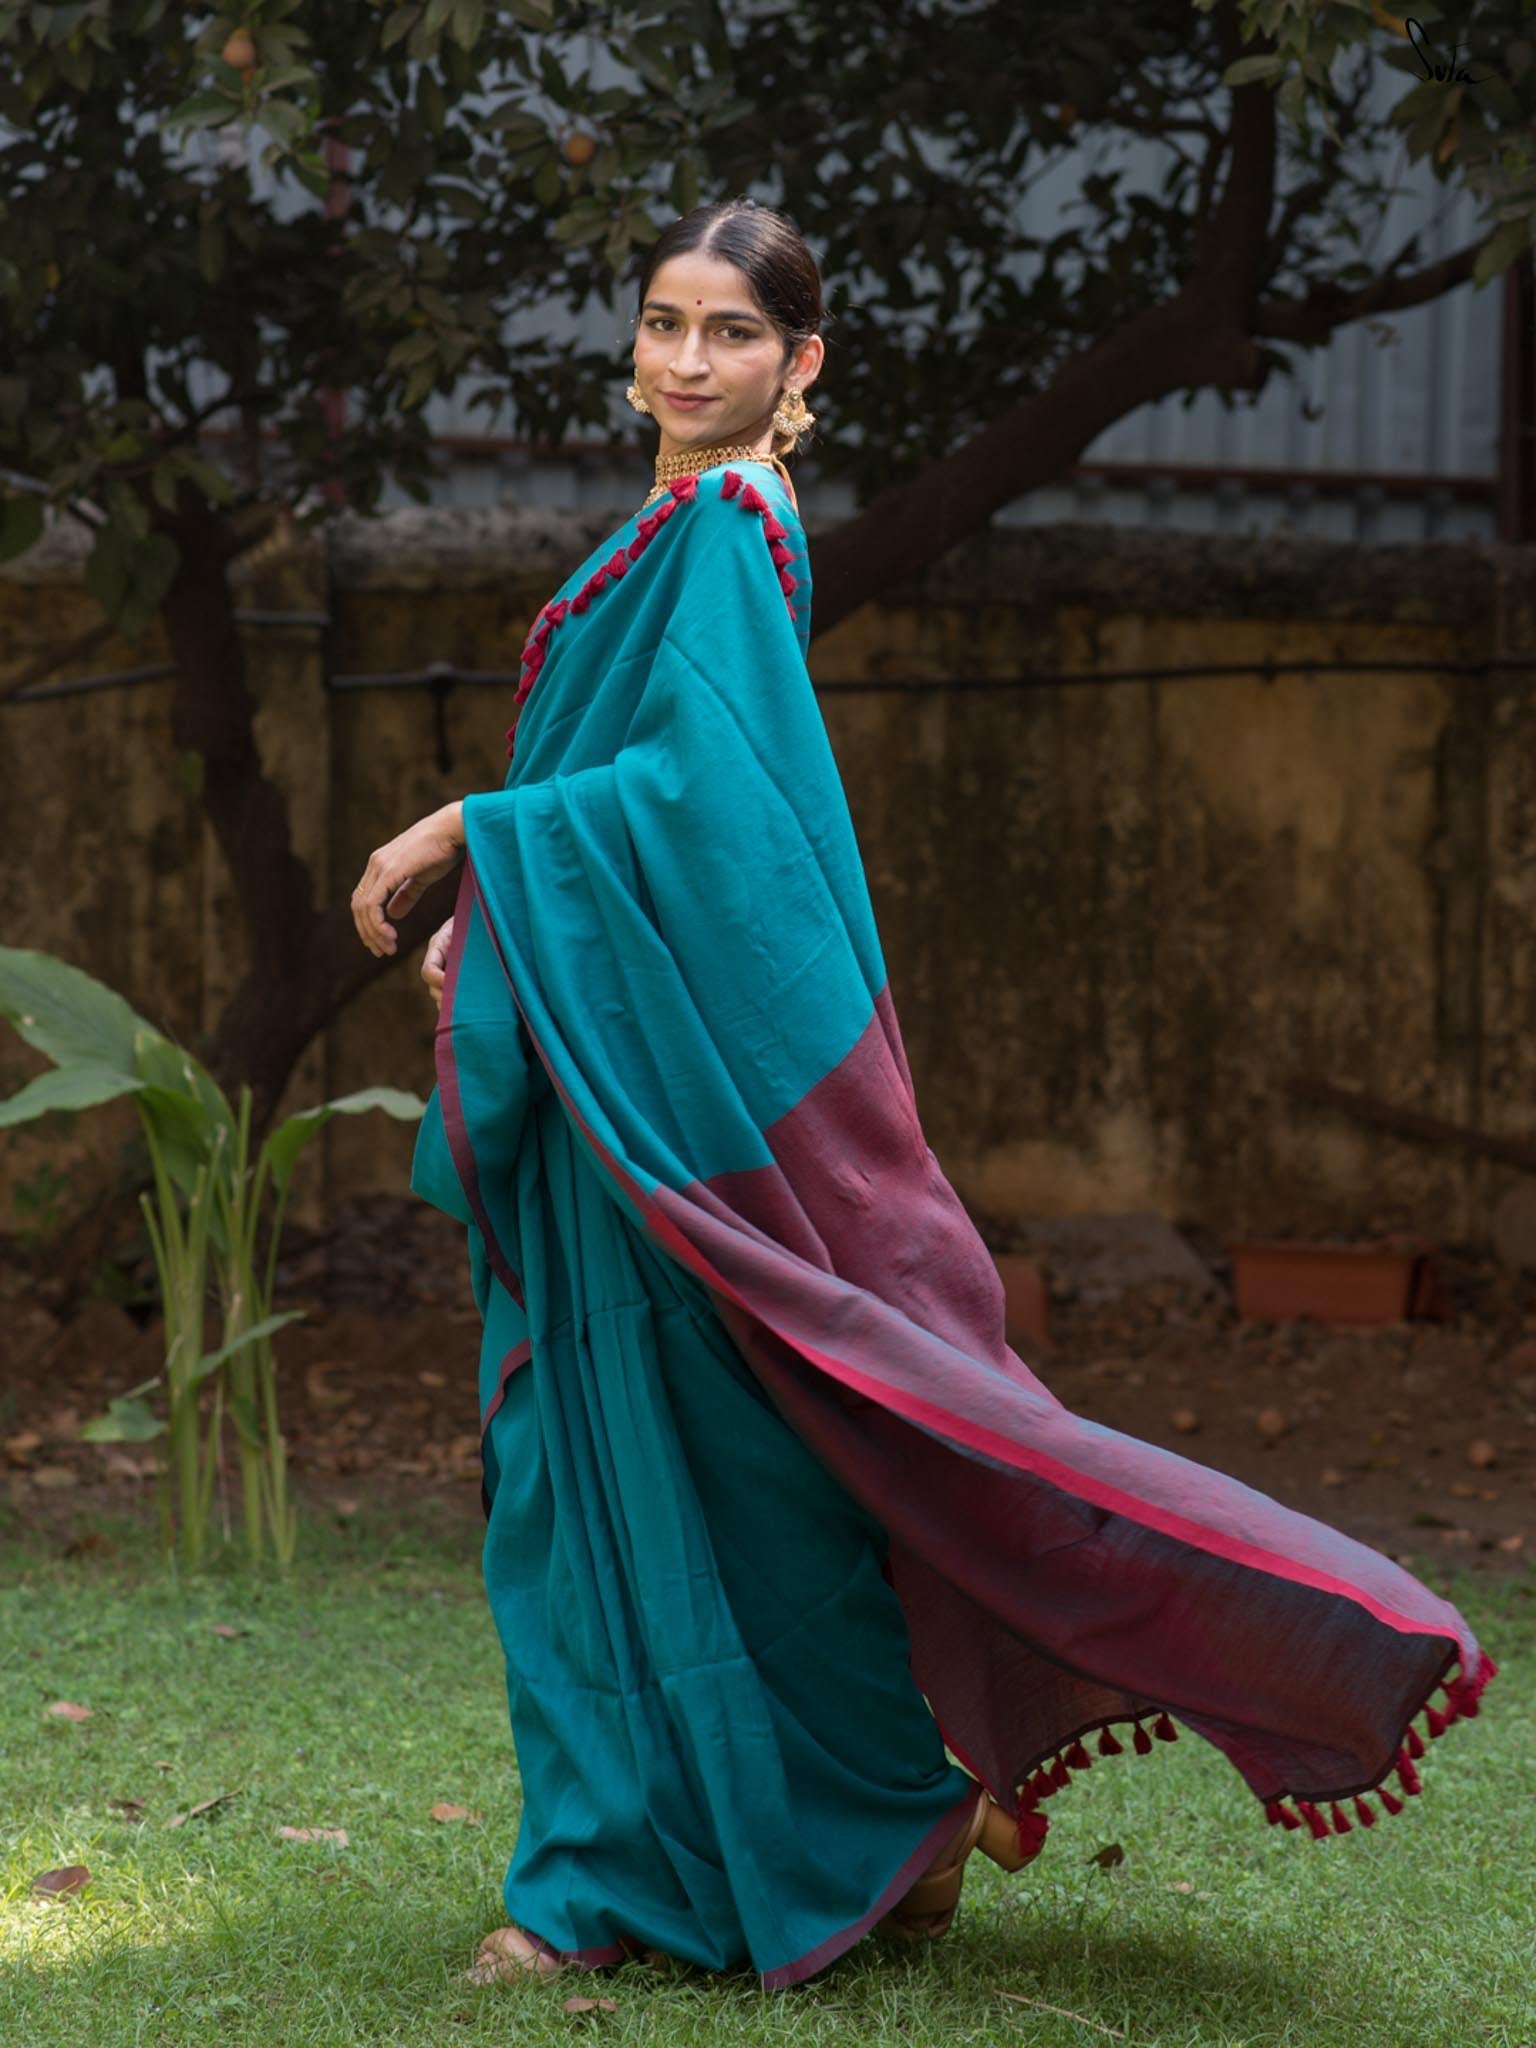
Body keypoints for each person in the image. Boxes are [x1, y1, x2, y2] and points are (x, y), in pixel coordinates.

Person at [349, 199, 1496, 1993]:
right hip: (620, 1060)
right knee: (640, 1470)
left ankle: (695, 1867)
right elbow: (645, 798)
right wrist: (513, 919)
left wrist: (461, 836)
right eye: (665, 322)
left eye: (732, 332)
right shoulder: (682, 524)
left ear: (800, 367)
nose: (687, 358)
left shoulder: (727, 530)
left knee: (700, 1464)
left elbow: (707, 815)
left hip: (676, 1096)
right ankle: (815, 1832)